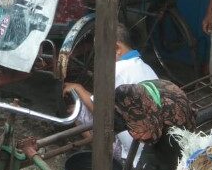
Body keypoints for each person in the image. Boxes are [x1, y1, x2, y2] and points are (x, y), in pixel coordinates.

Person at [63, 23, 157, 160]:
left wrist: (78, 88)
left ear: (117, 48)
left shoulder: (116, 71)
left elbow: (100, 111)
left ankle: (108, 161)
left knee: (76, 110)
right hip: (154, 145)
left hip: (136, 156)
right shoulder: (144, 66)